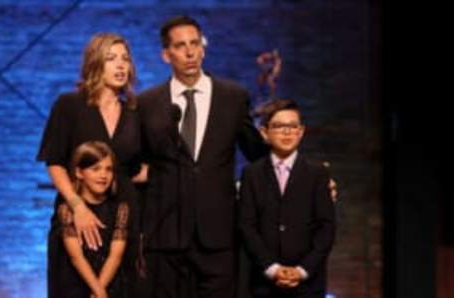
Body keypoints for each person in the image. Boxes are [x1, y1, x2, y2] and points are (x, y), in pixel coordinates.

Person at [135, 15, 269, 298]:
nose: (190, 52)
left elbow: (258, 157)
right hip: (165, 234)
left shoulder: (233, 97)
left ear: (203, 49)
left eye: (195, 43)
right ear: (165, 55)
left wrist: (309, 182)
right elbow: (134, 160)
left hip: (218, 235)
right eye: (180, 46)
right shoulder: (147, 103)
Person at [36, 32, 143, 297]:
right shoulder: (69, 105)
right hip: (78, 218)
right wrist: (77, 205)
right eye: (111, 59)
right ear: (95, 63)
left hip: (122, 221)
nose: (120, 66)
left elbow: (141, 166)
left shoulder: (134, 112)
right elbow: (55, 162)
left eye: (125, 59)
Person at [238, 99, 336, 298]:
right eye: (279, 126)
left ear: (301, 131)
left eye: (293, 126)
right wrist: (272, 268)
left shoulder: (317, 173)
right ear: (264, 133)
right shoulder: (251, 174)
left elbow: (326, 228)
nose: (287, 132)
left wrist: (302, 270)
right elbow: (247, 226)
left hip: (308, 283)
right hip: (262, 282)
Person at [55, 141, 129, 298]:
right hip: (77, 284)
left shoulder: (120, 209)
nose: (103, 175)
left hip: (109, 283)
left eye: (108, 169)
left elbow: (115, 256)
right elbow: (76, 258)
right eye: (96, 169)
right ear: (79, 172)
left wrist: (100, 291)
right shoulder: (66, 210)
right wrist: (98, 292)